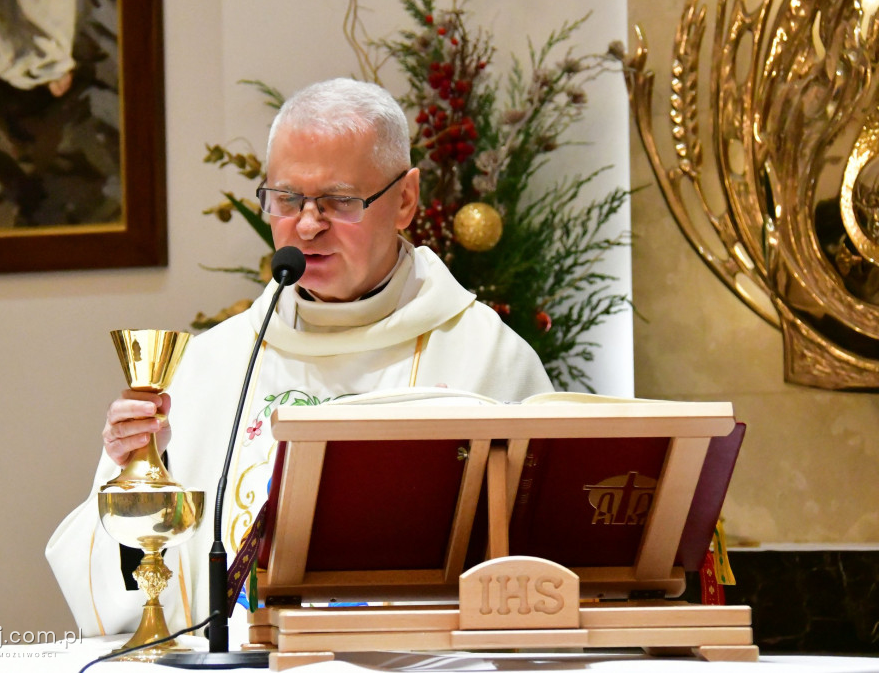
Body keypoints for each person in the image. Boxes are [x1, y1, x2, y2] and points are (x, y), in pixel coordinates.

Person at [46, 77, 554, 645]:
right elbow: (115, 604)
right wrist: (133, 469)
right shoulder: (214, 364)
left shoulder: (486, 358)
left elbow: (547, 576)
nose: (308, 226)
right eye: (287, 200)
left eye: (339, 201)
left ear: (406, 200)